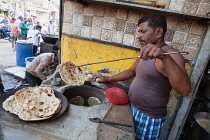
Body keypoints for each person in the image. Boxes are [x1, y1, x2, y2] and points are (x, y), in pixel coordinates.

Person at [92, 13, 191, 140]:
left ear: (159, 32)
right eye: (138, 32)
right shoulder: (146, 51)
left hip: (148, 117)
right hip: (131, 108)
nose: (138, 36)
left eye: (142, 31)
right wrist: (108, 79)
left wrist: (164, 57)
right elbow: (130, 71)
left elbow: (184, 90)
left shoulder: (172, 55)